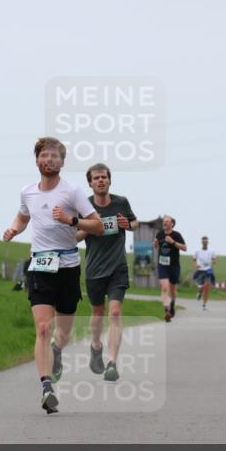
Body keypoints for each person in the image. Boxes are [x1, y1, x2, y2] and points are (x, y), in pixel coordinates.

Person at [3, 137, 102, 414]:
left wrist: (71, 220)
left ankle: (57, 351)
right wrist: (14, 229)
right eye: (44, 155)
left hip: (68, 266)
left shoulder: (73, 192)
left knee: (63, 333)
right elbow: (23, 217)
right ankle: (46, 386)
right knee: (43, 328)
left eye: (55, 156)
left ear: (62, 162)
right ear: (36, 160)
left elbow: (96, 226)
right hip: (40, 265)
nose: (49, 160)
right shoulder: (27, 192)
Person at [75, 163, 137, 382]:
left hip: (118, 267)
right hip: (94, 269)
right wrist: (92, 226)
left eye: (104, 177)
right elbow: (75, 235)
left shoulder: (121, 202)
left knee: (115, 313)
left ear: (110, 180)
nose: (100, 180)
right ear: (90, 183)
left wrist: (127, 225)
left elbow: (134, 223)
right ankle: (95, 346)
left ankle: (112, 362)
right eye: (96, 178)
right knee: (98, 315)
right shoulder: (85, 206)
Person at [153, 216, 187, 322]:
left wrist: (173, 242)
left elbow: (185, 248)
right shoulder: (159, 234)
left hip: (174, 265)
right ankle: (166, 311)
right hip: (162, 265)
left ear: (172, 224)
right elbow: (157, 247)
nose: (165, 223)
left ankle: (172, 305)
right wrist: (155, 245)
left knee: (173, 290)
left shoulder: (176, 235)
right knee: (164, 288)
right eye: (164, 222)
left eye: (167, 222)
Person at [192, 236, 217, 311]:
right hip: (200, 270)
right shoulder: (197, 251)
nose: (205, 243)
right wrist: (196, 265)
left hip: (208, 270)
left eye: (206, 241)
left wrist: (213, 262)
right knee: (201, 287)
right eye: (203, 242)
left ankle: (204, 304)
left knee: (207, 287)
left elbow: (214, 260)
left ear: (208, 242)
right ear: (202, 242)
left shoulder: (212, 251)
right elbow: (193, 260)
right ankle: (199, 293)